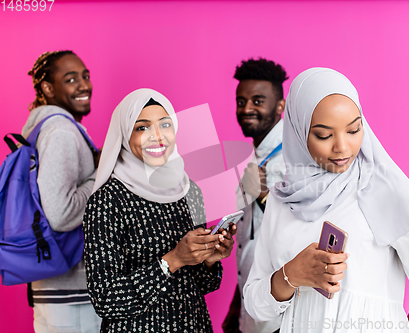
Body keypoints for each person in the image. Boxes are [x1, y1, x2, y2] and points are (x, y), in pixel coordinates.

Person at [243, 68, 409, 333]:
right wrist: (291, 275)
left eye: (354, 129)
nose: (342, 147)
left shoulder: (383, 190)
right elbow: (256, 305)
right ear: (298, 131)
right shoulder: (282, 200)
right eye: (324, 135)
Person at [83, 88, 236, 332]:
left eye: (165, 125)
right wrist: (172, 260)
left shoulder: (189, 191)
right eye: (142, 128)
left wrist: (209, 259)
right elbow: (105, 299)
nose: (157, 136)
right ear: (124, 135)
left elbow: (199, 285)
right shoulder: (107, 200)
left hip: (192, 324)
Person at [23, 50, 102, 333]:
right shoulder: (61, 132)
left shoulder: (48, 128)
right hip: (72, 296)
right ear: (47, 88)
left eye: (85, 76)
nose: (84, 85)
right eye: (70, 79)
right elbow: (59, 214)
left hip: (58, 291)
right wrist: (100, 175)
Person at [223, 58, 288, 333]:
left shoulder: (296, 157)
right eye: (241, 101)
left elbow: (300, 231)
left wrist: (262, 195)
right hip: (251, 311)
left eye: (258, 101)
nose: (247, 109)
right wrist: (237, 304)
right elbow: (250, 241)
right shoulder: (255, 157)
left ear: (280, 107)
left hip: (280, 316)